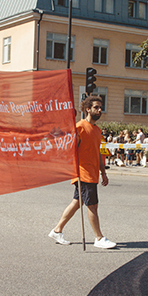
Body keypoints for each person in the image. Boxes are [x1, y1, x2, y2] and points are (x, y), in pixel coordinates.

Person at [48, 94, 116, 249]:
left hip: (93, 172)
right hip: (82, 173)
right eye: (96, 107)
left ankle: (57, 231)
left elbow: (97, 152)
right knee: (92, 205)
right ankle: (99, 238)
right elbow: (69, 150)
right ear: (88, 109)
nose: (99, 110)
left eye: (100, 108)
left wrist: (103, 171)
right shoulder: (79, 127)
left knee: (77, 202)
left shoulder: (97, 130)